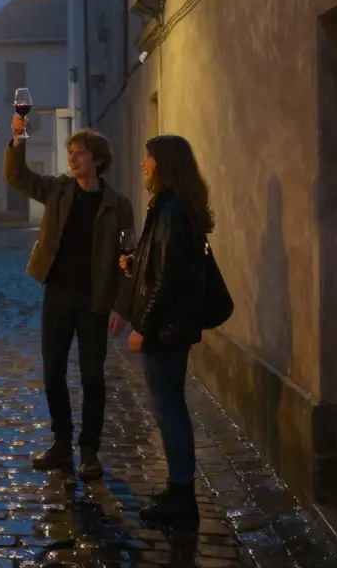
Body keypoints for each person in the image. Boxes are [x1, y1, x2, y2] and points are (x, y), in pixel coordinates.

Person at [3, 113, 134, 479]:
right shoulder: (59, 190)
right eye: (70, 152)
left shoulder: (118, 205)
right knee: (53, 375)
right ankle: (62, 443)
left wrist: (121, 306)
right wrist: (17, 141)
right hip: (58, 295)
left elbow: (129, 259)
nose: (72, 158)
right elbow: (17, 176)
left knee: (93, 377)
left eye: (79, 153)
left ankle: (89, 449)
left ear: (98, 160)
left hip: (95, 301)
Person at [119, 134, 211, 526]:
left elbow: (168, 278)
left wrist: (144, 326)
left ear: (164, 163)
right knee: (169, 408)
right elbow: (161, 260)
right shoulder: (173, 206)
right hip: (172, 326)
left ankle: (181, 496)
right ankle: (178, 489)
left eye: (148, 157)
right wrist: (135, 261)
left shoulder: (171, 209)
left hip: (166, 329)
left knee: (169, 410)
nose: (143, 163)